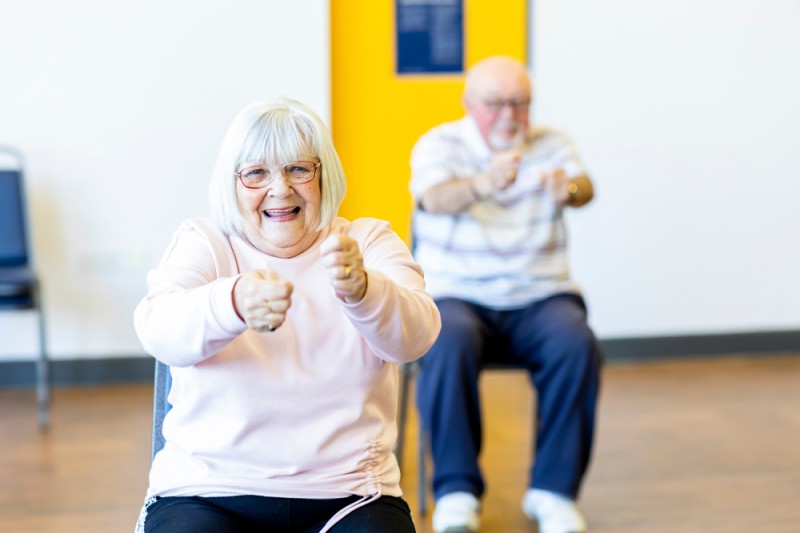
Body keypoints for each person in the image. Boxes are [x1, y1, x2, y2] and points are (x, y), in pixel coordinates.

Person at [133, 97, 441, 533]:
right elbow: (157, 328)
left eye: (299, 169)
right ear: (233, 183)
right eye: (256, 173)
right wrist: (234, 302)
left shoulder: (367, 241)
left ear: (324, 175)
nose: (280, 189)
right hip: (208, 490)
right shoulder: (205, 242)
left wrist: (364, 291)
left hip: (350, 493)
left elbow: (417, 336)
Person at [409, 56, 603, 533]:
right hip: (458, 293)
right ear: (469, 104)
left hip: (541, 294)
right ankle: (456, 492)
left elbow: (586, 187)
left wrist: (570, 189)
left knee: (577, 344)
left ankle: (553, 493)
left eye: (519, 104)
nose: (509, 116)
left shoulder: (552, 143)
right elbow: (433, 199)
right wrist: (483, 183)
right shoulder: (440, 144)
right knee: (444, 338)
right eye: (495, 104)